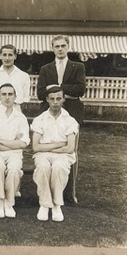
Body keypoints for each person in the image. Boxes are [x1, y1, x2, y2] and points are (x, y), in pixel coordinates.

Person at [0, 84, 30, 218]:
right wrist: (13, 142)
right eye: (4, 94)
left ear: (15, 97)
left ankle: (9, 202)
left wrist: (1, 141)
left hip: (14, 153)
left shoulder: (20, 117)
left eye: (10, 94)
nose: (7, 97)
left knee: (14, 169)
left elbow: (24, 142)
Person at [31, 85, 79, 222]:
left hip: (63, 154)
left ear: (64, 99)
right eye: (52, 99)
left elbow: (70, 148)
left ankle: (57, 204)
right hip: (44, 154)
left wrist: (46, 147)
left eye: (59, 98)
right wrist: (57, 145)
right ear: (47, 99)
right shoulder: (39, 119)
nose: (55, 102)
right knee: (43, 168)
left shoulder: (70, 120)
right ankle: (45, 204)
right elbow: (35, 146)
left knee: (59, 168)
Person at [35, 35, 86, 125]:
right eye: (57, 46)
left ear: (68, 47)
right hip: (49, 109)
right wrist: (68, 93)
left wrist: (57, 87)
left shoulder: (78, 67)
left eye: (63, 46)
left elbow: (80, 90)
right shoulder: (46, 69)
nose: (60, 49)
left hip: (72, 109)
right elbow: (40, 93)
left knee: (70, 137)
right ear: (52, 48)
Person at [0, 44, 31, 110]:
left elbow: (25, 100)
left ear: (15, 56)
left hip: (15, 109)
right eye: (4, 55)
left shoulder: (24, 76)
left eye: (10, 55)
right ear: (0, 56)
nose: (7, 58)